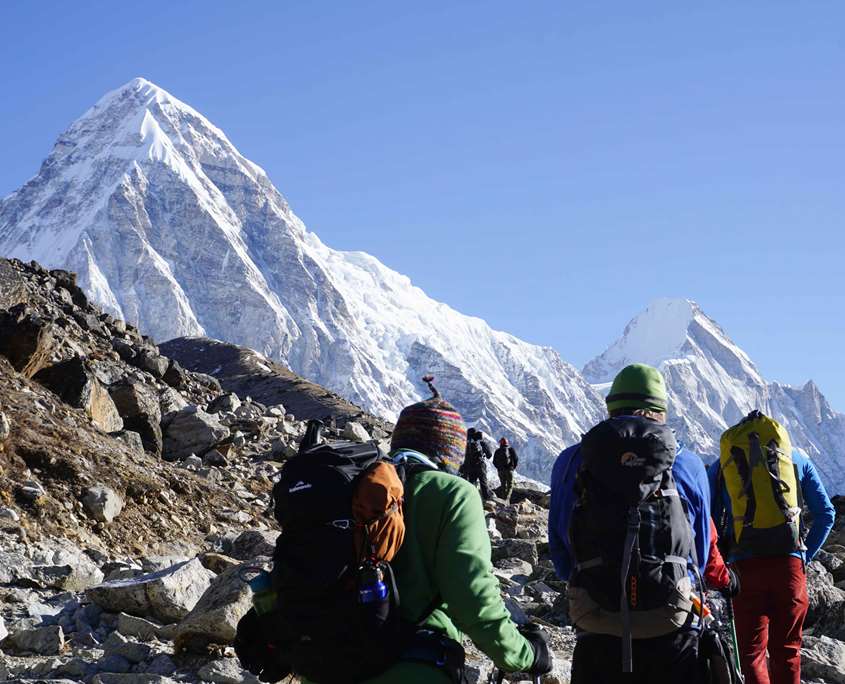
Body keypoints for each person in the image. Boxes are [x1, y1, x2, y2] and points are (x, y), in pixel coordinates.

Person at [366, 381, 552, 682]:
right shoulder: (452, 493)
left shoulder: (355, 485)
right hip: (410, 668)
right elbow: (473, 600)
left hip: (327, 661)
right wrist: (526, 654)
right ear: (450, 451)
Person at [548, 363, 711, 684]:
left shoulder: (572, 460)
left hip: (595, 619)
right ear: (660, 411)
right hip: (670, 621)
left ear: (610, 408)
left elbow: (560, 548)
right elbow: (699, 554)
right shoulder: (688, 463)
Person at [709, 412, 835, 684]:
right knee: (788, 651)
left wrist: (721, 566)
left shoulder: (723, 464)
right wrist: (804, 556)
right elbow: (826, 513)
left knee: (751, 654)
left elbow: (708, 521)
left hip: (743, 570)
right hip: (789, 568)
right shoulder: (796, 459)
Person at [461, 428, 494, 500]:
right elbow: (489, 455)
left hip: (469, 466)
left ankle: (472, 500)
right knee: (483, 483)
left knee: (471, 484)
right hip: (480, 465)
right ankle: (487, 501)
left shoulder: (465, 444)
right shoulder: (481, 443)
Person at [493, 437, 519, 501]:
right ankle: (507, 499)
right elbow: (516, 459)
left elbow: (494, 462)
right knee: (510, 486)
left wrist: (499, 468)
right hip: (509, 470)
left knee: (503, 486)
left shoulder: (497, 451)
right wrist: (512, 468)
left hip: (501, 471)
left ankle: (503, 500)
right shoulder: (511, 449)